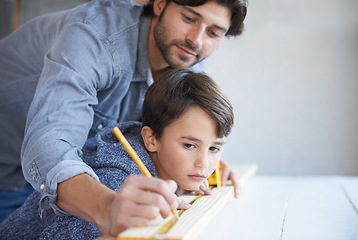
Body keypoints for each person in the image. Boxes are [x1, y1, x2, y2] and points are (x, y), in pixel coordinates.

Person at [0, 0, 246, 232]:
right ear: (160, 3)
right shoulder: (92, 36)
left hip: (76, 181)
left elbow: (169, 131)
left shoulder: (187, 56)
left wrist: (199, 156)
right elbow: (48, 145)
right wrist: (107, 207)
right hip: (9, 173)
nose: (196, 40)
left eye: (213, 33)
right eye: (189, 18)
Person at [0, 69, 234, 239]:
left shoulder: (168, 163)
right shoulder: (116, 177)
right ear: (151, 139)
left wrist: (183, 186)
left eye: (214, 148)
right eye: (189, 146)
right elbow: (54, 235)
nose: (204, 163)